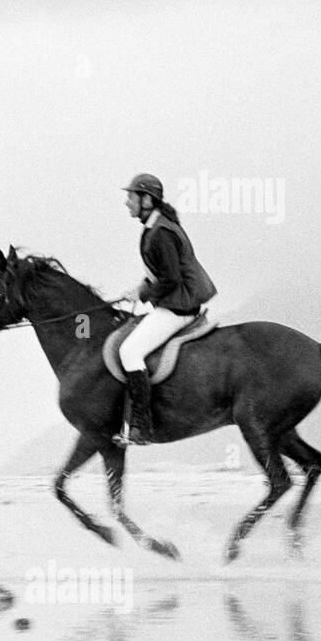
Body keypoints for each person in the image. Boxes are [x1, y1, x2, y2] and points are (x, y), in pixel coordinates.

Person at [116, 174, 217, 446]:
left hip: (178, 308)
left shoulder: (160, 232)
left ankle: (143, 427)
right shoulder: (155, 226)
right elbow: (158, 273)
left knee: (129, 351)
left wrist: (144, 293)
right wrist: (136, 288)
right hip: (172, 304)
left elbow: (171, 279)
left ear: (146, 200)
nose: (127, 203)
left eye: (131, 197)